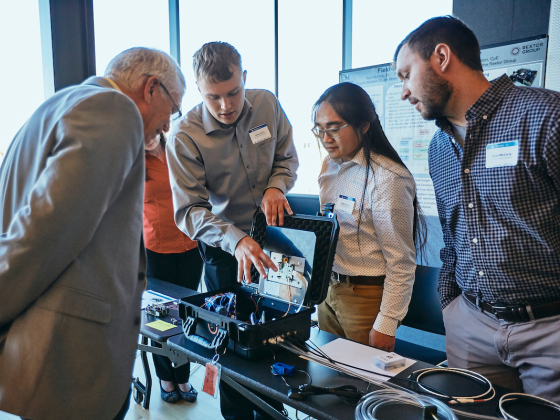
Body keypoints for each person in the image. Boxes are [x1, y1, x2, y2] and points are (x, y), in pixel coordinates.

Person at [0, 47, 185, 420]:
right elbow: (44, 235)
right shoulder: (114, 111)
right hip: (69, 358)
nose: (168, 125)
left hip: (39, 346)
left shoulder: (52, 107)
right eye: (173, 109)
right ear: (152, 88)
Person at [394, 16, 560, 402]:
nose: (403, 91)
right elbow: (453, 237)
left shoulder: (546, 117)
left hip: (549, 329)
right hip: (470, 326)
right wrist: (451, 305)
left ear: (441, 57)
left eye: (406, 74)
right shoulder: (439, 148)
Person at [167, 41, 298, 420]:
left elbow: (287, 157)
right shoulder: (184, 135)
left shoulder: (268, 105)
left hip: (275, 240)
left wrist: (277, 185)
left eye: (233, 92)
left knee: (278, 332)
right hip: (225, 249)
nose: (226, 106)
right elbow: (189, 210)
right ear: (197, 89)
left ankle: (276, 411)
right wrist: (236, 240)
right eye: (214, 97)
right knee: (234, 342)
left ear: (244, 77)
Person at [313, 83, 424, 351]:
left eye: (335, 128)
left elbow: (401, 262)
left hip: (365, 298)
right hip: (329, 290)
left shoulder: (388, 178)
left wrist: (386, 323)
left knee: (366, 383)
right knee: (329, 377)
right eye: (320, 129)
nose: (326, 138)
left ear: (363, 126)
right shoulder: (329, 166)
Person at [144, 133, 202, 403]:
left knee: (186, 316)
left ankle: (183, 377)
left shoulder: (179, 151)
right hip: (156, 248)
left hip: (191, 245)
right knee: (161, 319)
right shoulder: (131, 161)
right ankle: (165, 379)